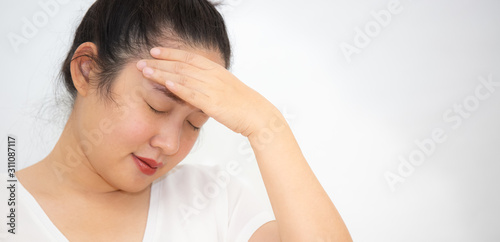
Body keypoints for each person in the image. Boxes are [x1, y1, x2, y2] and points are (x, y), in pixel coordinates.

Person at [14, 0, 352, 241]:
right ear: (86, 70)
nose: (172, 144)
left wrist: (266, 125)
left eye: (195, 123)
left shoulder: (215, 201)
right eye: (157, 106)